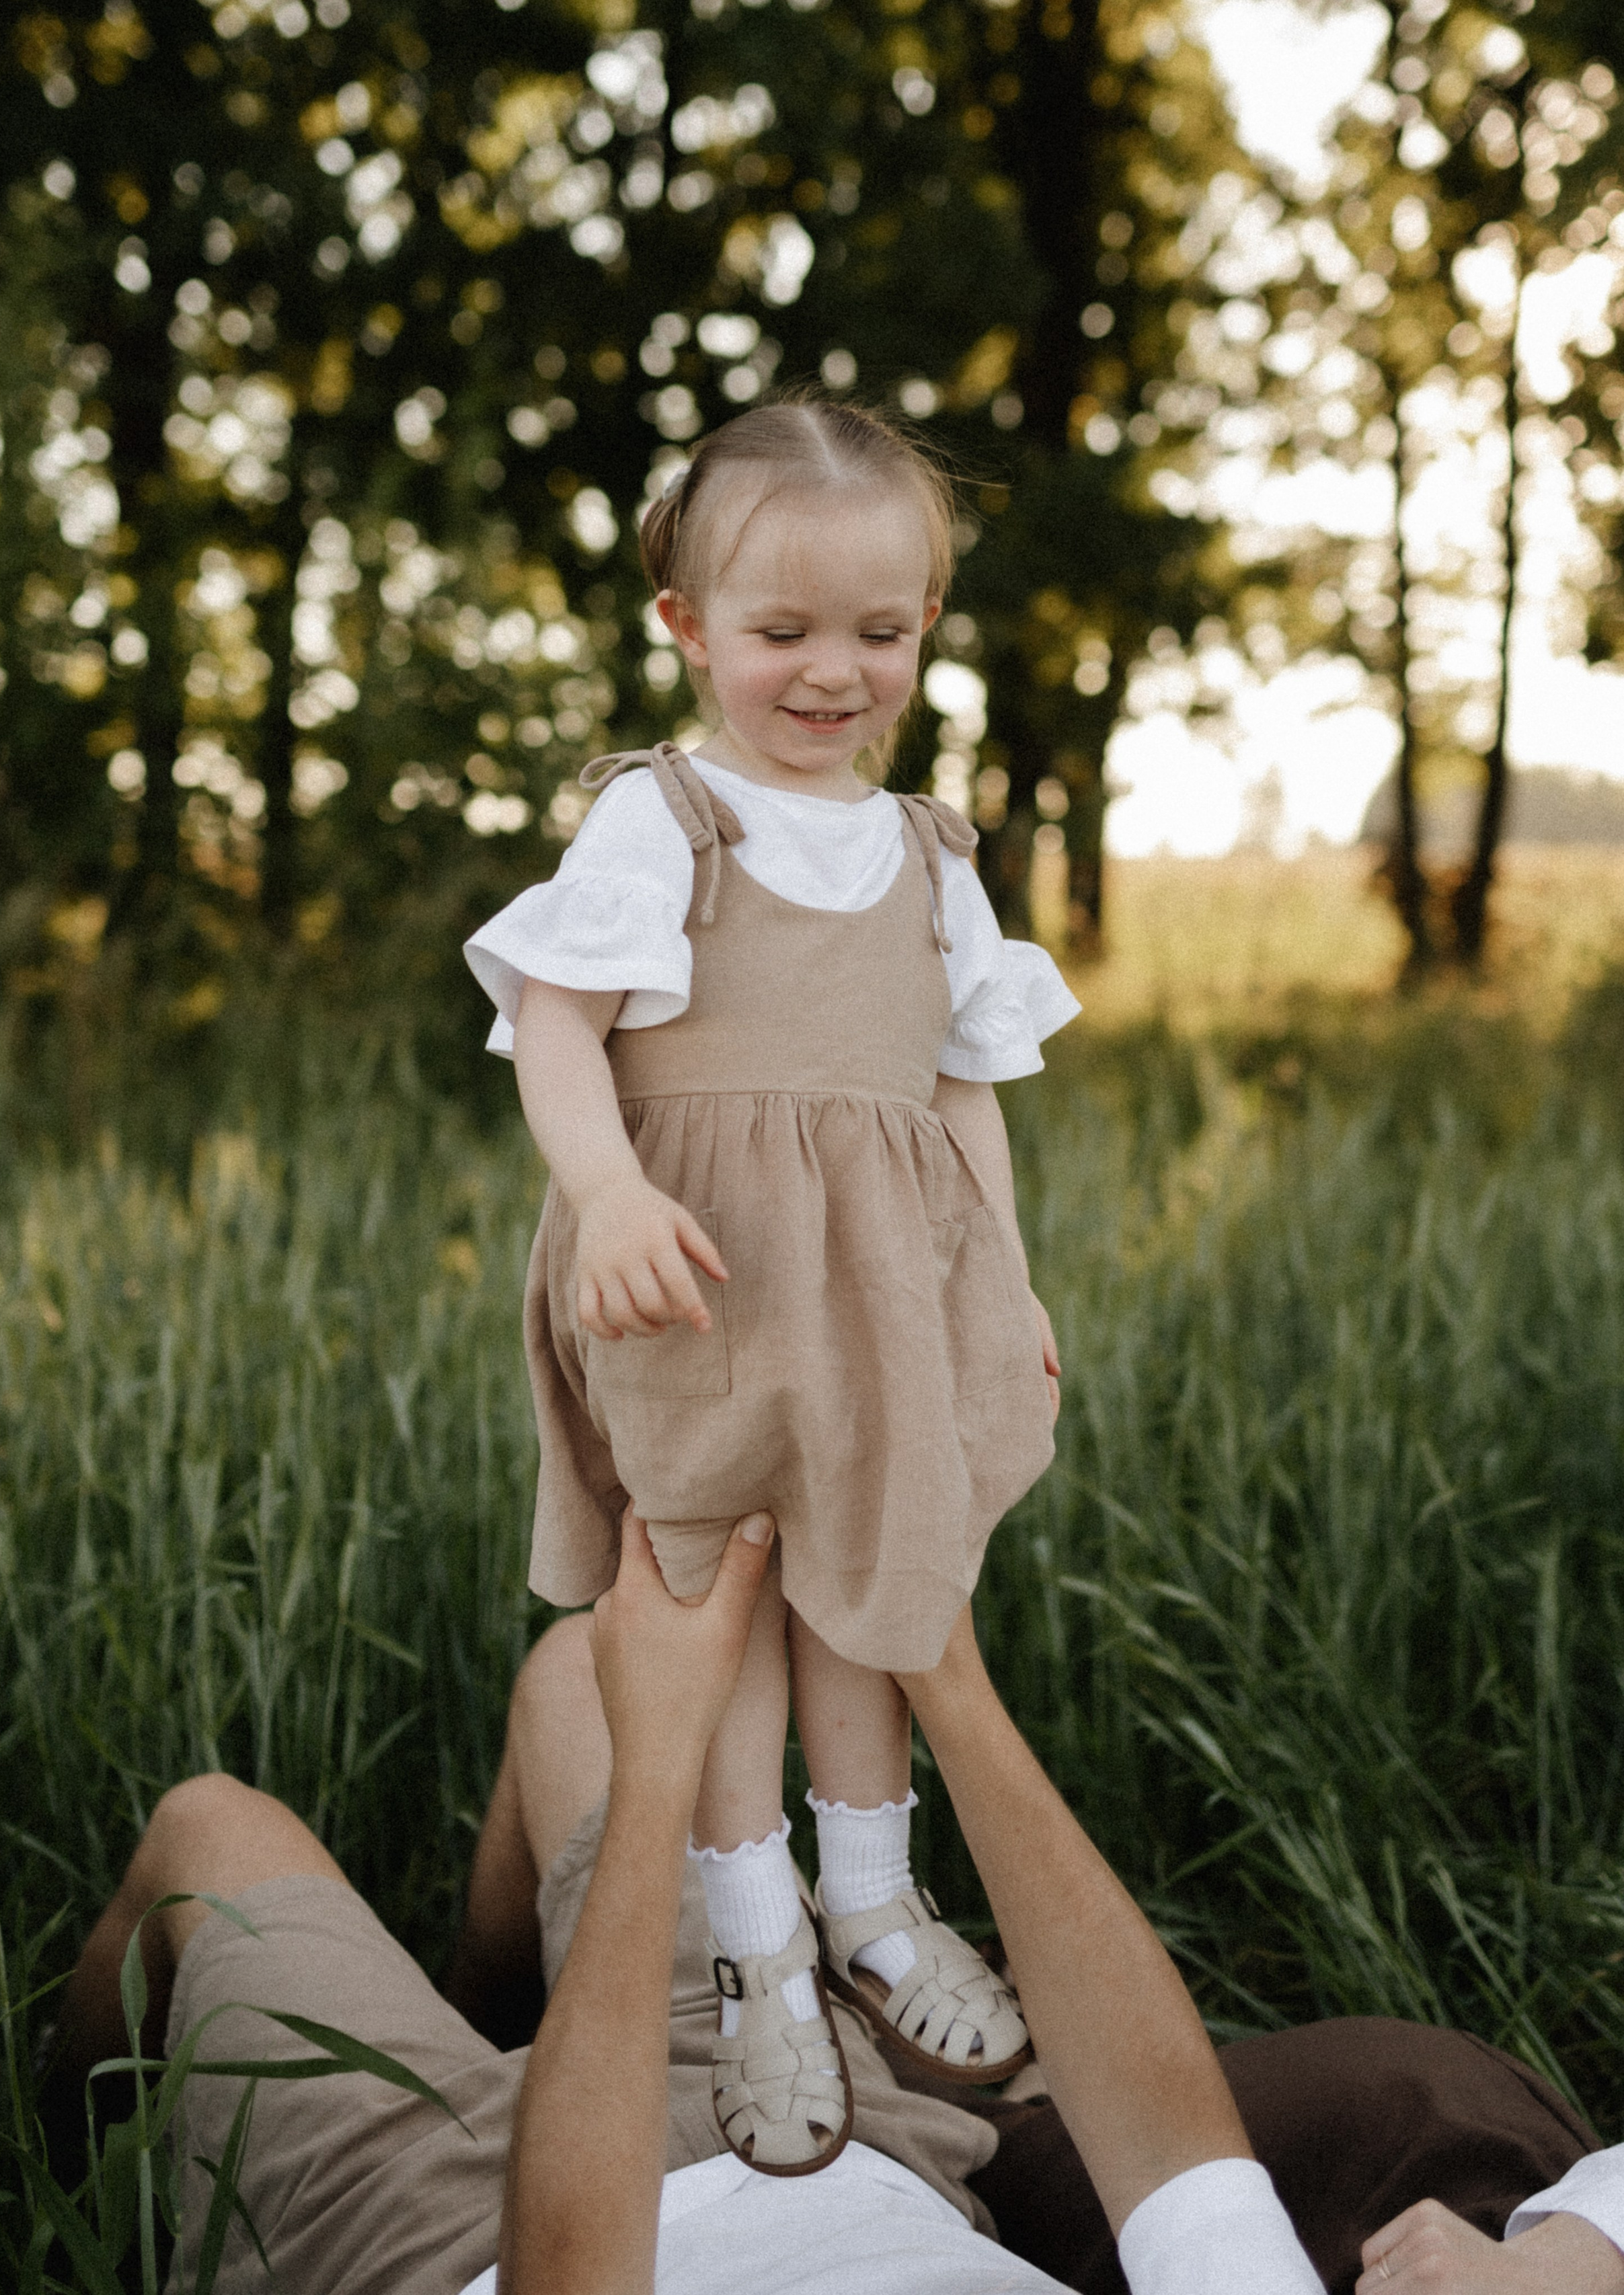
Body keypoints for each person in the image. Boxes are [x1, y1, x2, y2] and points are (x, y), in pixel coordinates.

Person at [49, 1512, 1624, 2295]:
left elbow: (569, 2269)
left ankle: (74, 2170)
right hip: (828, 2131)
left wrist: (671, 1773)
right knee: (567, 1695)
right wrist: (934, 1651)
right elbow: (1175, 2161)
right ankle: (489, 2021)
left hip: (454, 2230)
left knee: (209, 1833)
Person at [462, 399, 1079, 2165]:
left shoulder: (932, 855)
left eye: (878, 632)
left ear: (926, 629)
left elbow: (963, 1087)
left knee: (865, 1584)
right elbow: (558, 1027)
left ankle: (877, 1907)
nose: (832, 671)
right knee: (717, 1594)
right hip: (701, 1280)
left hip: (887, 1287)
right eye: (781, 630)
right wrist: (603, 1193)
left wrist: (1009, 1279)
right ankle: (760, 1953)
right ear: (687, 624)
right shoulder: (665, 820)